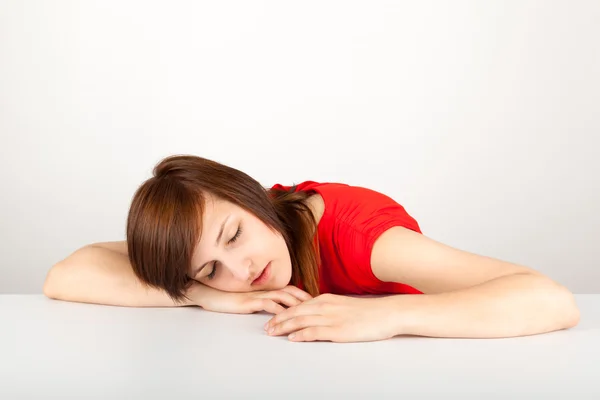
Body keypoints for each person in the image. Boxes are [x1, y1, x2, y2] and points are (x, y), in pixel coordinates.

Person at [43, 154, 580, 342]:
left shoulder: (360, 237)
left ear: (251, 195)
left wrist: (386, 317)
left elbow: (551, 300)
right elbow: (66, 274)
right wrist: (203, 297)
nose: (243, 267)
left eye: (234, 235)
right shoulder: (226, 265)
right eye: (211, 267)